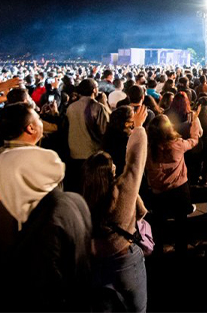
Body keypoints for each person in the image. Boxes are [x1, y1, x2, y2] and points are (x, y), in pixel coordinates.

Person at [0, 104, 92, 311]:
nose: (42, 123)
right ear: (30, 128)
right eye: (38, 119)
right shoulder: (45, 161)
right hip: (43, 263)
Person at [82, 105, 148, 313]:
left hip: (95, 263)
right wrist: (139, 128)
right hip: (124, 257)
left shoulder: (82, 200)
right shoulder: (122, 192)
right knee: (136, 308)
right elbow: (135, 161)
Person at [146, 108, 201, 256]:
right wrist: (195, 122)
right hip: (179, 189)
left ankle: (158, 251)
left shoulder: (148, 148)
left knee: (159, 224)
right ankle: (181, 253)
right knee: (181, 223)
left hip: (158, 191)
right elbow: (194, 141)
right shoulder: (177, 144)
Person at [66, 78, 110, 191]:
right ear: (94, 90)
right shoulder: (98, 107)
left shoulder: (71, 107)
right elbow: (104, 131)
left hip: (74, 153)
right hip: (92, 154)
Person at [101, 105, 135, 176]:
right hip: (121, 173)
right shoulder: (124, 139)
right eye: (133, 119)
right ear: (126, 123)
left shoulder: (108, 133)